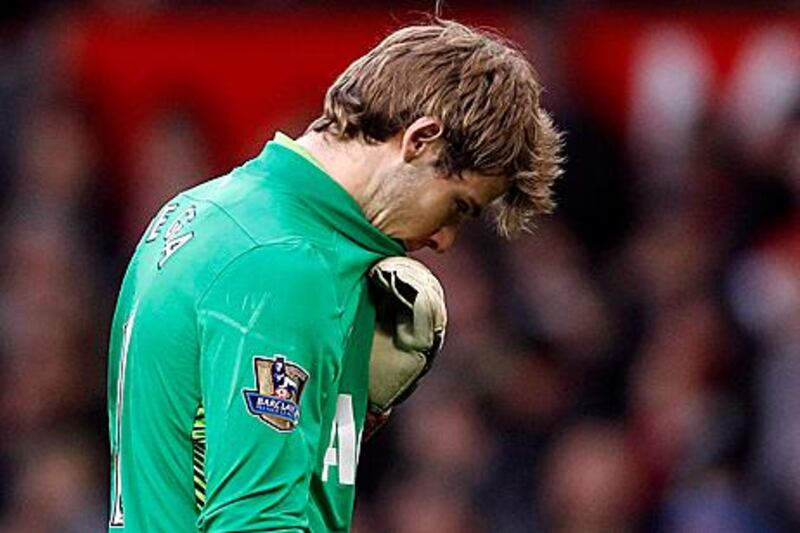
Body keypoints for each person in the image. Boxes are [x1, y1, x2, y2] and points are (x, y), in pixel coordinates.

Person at [107, 19, 563, 532]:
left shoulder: (200, 212)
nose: (444, 240)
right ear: (420, 140)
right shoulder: (284, 266)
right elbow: (256, 523)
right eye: (458, 207)